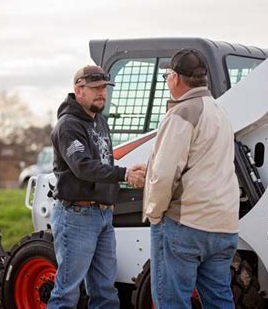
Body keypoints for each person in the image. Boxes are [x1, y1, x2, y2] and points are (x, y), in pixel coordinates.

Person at [143, 49, 240, 308]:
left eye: (167, 75)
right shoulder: (220, 112)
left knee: (172, 302)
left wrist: (154, 214)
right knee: (220, 301)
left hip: (185, 225)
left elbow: (165, 175)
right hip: (223, 227)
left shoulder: (181, 113)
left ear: (175, 78)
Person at [48, 65, 145, 309]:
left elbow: (104, 163)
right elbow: (83, 167)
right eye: (95, 88)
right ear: (78, 90)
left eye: (104, 88)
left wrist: (129, 174)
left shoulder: (99, 121)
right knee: (67, 292)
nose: (102, 93)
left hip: (103, 215)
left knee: (105, 291)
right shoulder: (68, 126)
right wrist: (124, 174)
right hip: (76, 216)